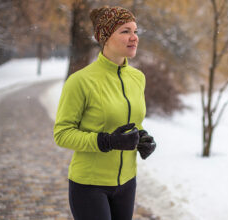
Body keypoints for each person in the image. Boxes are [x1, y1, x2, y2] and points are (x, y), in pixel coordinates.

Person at [53, 5, 156, 220]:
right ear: (105, 37)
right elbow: (62, 134)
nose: (134, 37)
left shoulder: (138, 78)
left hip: (127, 183)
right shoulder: (80, 81)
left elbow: (132, 122)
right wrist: (106, 141)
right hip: (89, 185)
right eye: (125, 31)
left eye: (135, 31)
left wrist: (142, 138)